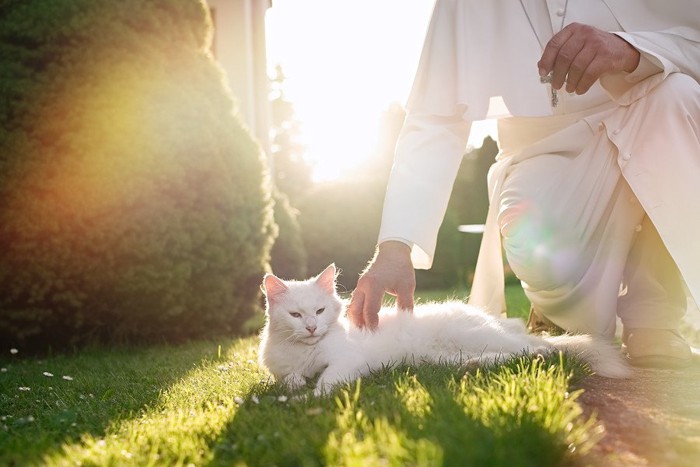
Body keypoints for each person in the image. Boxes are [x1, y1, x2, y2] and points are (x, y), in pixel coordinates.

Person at [347, 0, 700, 367]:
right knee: (538, 246)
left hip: (652, 110)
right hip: (542, 158)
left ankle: (654, 316)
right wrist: (395, 248)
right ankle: (557, 312)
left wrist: (632, 51)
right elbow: (436, 118)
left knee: (678, 98)